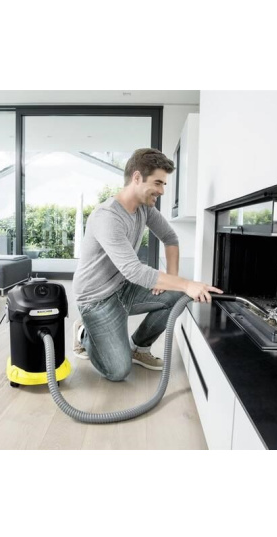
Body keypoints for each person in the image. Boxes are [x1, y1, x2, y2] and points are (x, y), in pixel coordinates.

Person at [72, 148, 223, 382]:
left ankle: (139, 348)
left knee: (177, 296)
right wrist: (186, 283)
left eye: (164, 184)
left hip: (123, 287)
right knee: (118, 371)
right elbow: (134, 270)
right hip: (97, 299)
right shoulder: (107, 216)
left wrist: (174, 281)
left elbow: (170, 238)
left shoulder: (144, 209)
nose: (162, 191)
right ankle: (84, 333)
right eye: (158, 183)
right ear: (136, 177)